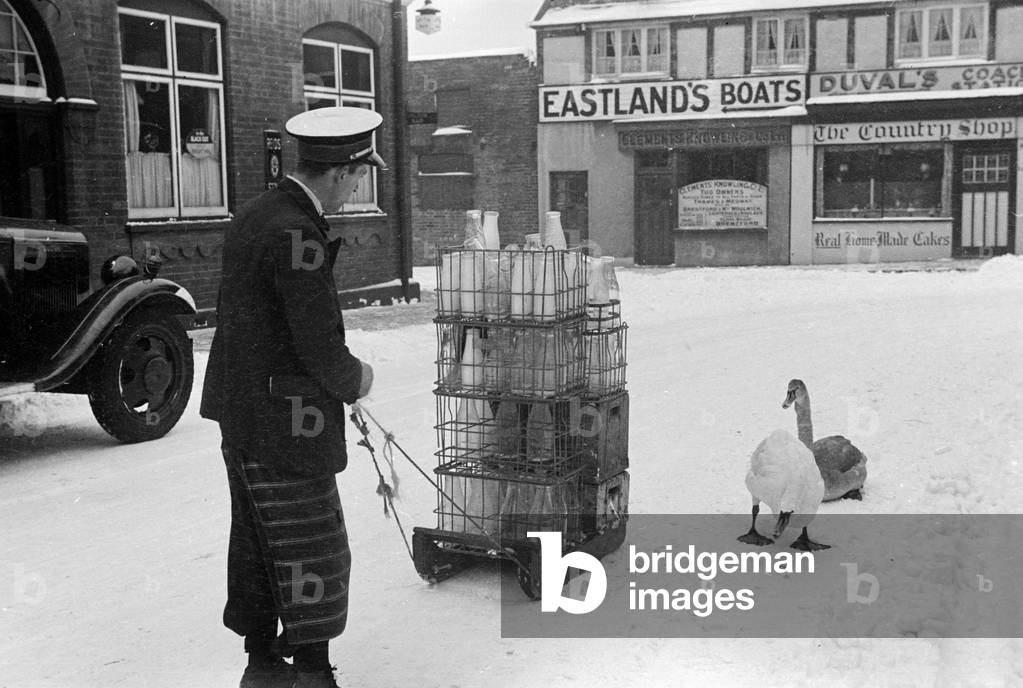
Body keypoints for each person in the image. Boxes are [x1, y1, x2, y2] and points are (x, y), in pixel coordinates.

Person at [200, 106, 386, 688]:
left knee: (257, 534)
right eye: (358, 177)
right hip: (289, 418)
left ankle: (261, 660)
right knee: (312, 537)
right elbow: (312, 334)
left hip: (242, 408)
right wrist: (354, 379)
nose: (357, 189)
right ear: (341, 172)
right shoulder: (298, 230)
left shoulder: (257, 212)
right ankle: (311, 670)